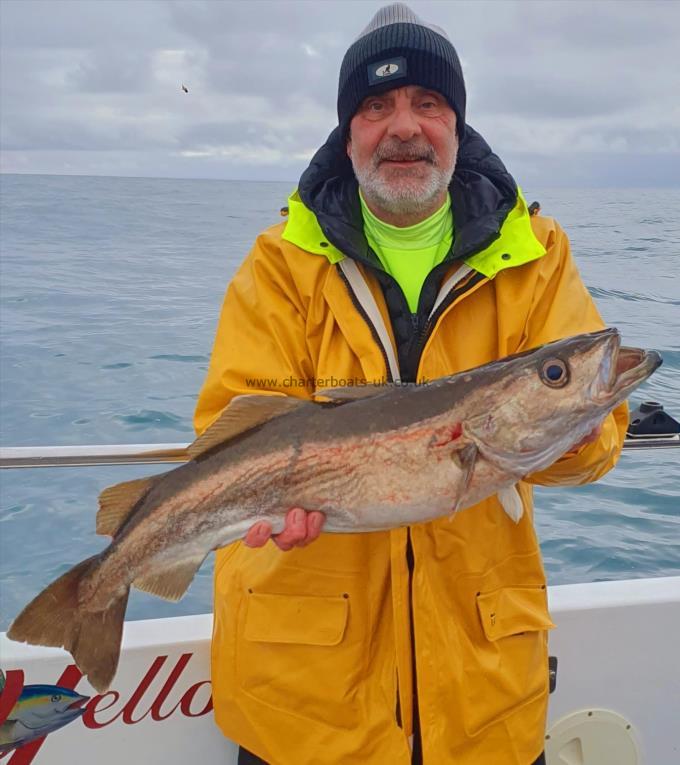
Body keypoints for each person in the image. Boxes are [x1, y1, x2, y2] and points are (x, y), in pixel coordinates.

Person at [194, 4, 628, 764]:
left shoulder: (536, 255)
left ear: (457, 125)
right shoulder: (279, 263)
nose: (404, 126)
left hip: (481, 697)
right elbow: (231, 425)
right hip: (306, 703)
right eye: (376, 106)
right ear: (348, 131)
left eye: (429, 103)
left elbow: (597, 447)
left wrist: (576, 428)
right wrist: (274, 503)